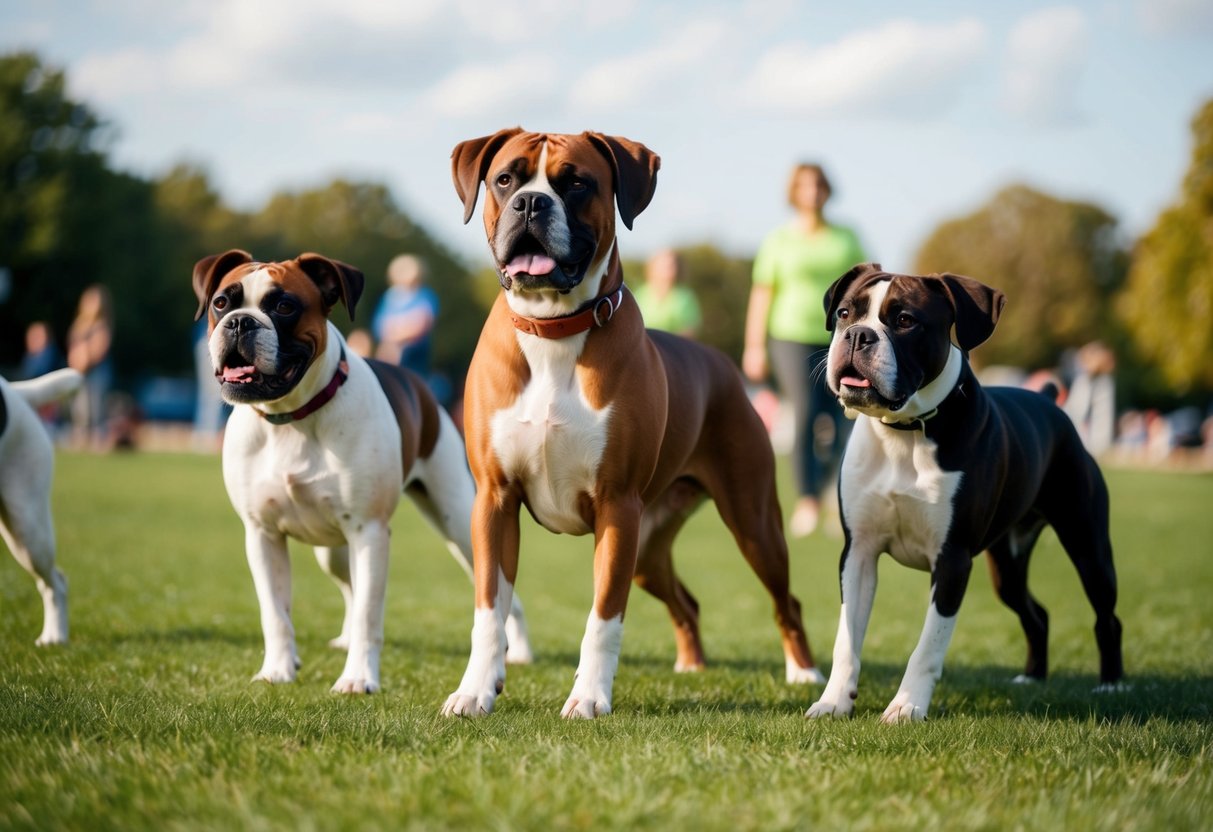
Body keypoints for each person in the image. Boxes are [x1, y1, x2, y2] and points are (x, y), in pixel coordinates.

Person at [742, 162, 867, 537]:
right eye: (805, 186)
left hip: (837, 338)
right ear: (794, 192)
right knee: (807, 412)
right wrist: (753, 345)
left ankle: (835, 492)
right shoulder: (779, 241)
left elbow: (866, 284)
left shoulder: (847, 238)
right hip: (789, 335)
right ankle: (808, 500)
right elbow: (763, 293)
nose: (812, 192)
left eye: (818, 185)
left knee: (841, 415)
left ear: (827, 191)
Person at [372, 254, 438, 377]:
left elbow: (422, 325)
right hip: (389, 349)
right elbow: (380, 326)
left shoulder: (424, 295)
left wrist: (398, 333)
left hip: (414, 354)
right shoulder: (389, 296)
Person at [67, 284, 114, 450]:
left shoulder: (102, 325)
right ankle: (80, 440)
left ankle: (97, 442)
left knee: (95, 408)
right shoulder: (79, 324)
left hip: (96, 371)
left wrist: (86, 359)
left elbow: (100, 348)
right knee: (80, 409)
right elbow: (72, 348)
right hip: (80, 372)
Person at [633, 248, 702, 338]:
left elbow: (689, 330)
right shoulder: (640, 294)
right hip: (644, 347)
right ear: (652, 267)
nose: (669, 269)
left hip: (672, 348)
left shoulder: (685, 296)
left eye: (672, 265)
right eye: (664, 266)